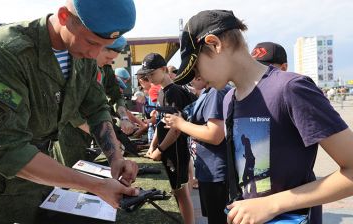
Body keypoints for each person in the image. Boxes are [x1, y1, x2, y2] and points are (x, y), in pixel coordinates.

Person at [173, 9, 353, 224]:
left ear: (214, 44)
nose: (197, 78)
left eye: (194, 67)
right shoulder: (230, 98)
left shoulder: (290, 89)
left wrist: (273, 204)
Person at [0, 1, 139, 223]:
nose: (94, 54)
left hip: (47, 168)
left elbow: (96, 108)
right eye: (91, 42)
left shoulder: (82, 54)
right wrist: (96, 185)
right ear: (63, 17)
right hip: (8, 181)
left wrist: (115, 157)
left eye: (103, 45)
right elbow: (8, 149)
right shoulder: (7, 49)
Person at [56, 36, 135, 167]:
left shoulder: (106, 69)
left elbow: (116, 95)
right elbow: (69, 109)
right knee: (69, 173)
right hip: (69, 132)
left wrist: (124, 117)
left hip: (90, 128)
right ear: (98, 48)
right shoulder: (77, 66)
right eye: (108, 58)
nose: (110, 62)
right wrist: (102, 136)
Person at [165, 74, 231, 224]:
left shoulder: (216, 91)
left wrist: (180, 124)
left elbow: (215, 135)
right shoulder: (208, 92)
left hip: (217, 173)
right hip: (209, 171)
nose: (192, 78)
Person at [140, 53, 196, 224]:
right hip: (169, 149)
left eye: (152, 73)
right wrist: (153, 146)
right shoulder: (163, 92)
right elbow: (161, 124)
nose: (149, 77)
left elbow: (176, 129)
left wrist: (160, 149)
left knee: (181, 194)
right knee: (178, 192)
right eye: (147, 75)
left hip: (176, 150)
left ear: (164, 69)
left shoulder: (174, 92)